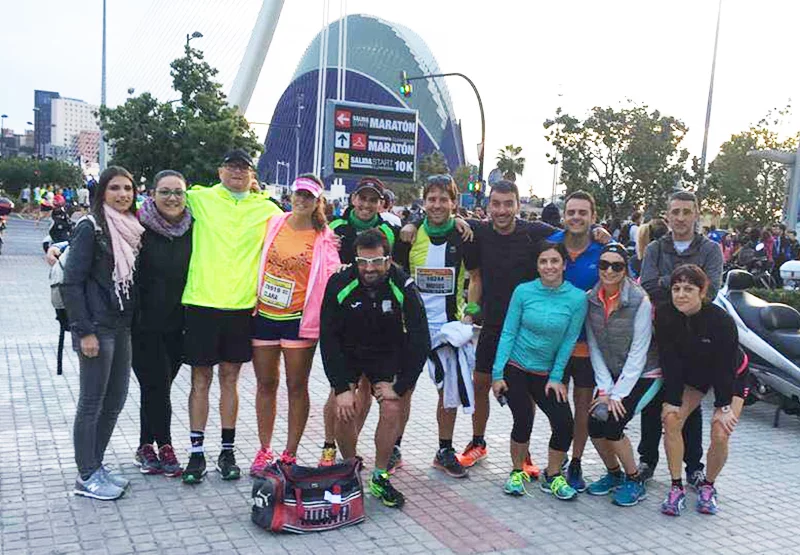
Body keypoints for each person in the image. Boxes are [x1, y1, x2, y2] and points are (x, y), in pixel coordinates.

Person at [180, 149, 283, 484]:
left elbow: (305, 228)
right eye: (231, 166)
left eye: (244, 168)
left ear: (252, 175)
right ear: (220, 170)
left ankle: (227, 450)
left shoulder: (268, 209)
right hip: (201, 303)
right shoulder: (199, 198)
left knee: (230, 380)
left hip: (241, 307)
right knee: (200, 381)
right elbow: (150, 209)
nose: (237, 172)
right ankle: (196, 453)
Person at [454, 180, 559, 477]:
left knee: (524, 392)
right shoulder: (479, 233)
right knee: (480, 384)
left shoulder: (535, 232)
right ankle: (477, 442)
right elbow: (474, 276)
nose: (502, 210)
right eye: (496, 204)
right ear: (488, 206)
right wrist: (471, 313)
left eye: (508, 204)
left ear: (517, 205)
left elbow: (573, 236)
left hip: (527, 330)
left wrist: (599, 234)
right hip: (492, 324)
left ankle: (523, 452)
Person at [320, 229, 430, 508]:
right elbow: (328, 339)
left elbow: (420, 339)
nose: (369, 269)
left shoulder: (403, 285)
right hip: (350, 352)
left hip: (387, 353)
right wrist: (342, 388)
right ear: (355, 260)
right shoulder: (339, 282)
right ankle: (349, 468)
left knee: (392, 405)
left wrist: (400, 386)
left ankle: (380, 475)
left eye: (377, 262)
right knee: (343, 408)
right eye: (363, 262)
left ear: (389, 260)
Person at [62, 166, 145, 500]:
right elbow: (72, 283)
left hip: (121, 326)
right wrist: (83, 332)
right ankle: (86, 475)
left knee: (115, 400)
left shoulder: (131, 228)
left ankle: (95, 465)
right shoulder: (91, 228)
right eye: (115, 188)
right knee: (92, 403)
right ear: (102, 193)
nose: (123, 194)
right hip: (96, 327)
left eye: (128, 188)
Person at [249, 175, 340, 474]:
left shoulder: (323, 236)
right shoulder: (274, 222)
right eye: (298, 194)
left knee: (296, 386)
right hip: (264, 315)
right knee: (265, 384)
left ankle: (290, 452)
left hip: (297, 320)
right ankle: (264, 450)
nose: (301, 200)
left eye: (308, 196)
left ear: (317, 202)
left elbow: (331, 276)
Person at [393, 174, 480, 478]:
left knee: (449, 392)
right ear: (424, 201)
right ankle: (393, 447)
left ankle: (444, 449)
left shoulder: (464, 235)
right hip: (412, 327)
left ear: (454, 203)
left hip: (448, 327)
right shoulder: (409, 235)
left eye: (444, 199)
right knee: (403, 389)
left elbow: (475, 276)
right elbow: (397, 275)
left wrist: (470, 313)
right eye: (432, 199)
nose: (438, 205)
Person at [638, 190, 723, 487]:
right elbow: (647, 285)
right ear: (668, 215)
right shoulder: (655, 249)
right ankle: (647, 460)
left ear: (696, 213)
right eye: (676, 212)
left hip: (696, 336)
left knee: (690, 404)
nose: (681, 218)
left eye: (687, 212)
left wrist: (672, 284)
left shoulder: (711, 249)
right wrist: (687, 281)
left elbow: (711, 290)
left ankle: (692, 466)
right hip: (659, 334)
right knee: (652, 400)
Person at [491, 242, 587, 499]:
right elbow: (509, 332)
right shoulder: (523, 291)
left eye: (555, 261)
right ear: (537, 265)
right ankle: (516, 471)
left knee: (564, 422)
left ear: (564, 264)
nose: (549, 267)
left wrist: (556, 377)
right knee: (523, 419)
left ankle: (554, 475)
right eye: (543, 262)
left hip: (547, 373)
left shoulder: (578, 298)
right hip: (517, 366)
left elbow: (569, 341)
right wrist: (497, 374)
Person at [319, 176, 400, 466]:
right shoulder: (337, 227)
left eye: (373, 200)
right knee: (340, 387)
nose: (366, 204)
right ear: (353, 200)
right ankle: (330, 446)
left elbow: (388, 261)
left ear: (382, 203)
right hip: (342, 314)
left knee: (366, 388)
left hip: (375, 317)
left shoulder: (388, 229)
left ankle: (350, 445)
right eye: (362, 198)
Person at [658, 265, 748, 516]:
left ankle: (708, 486)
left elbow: (725, 368)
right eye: (676, 289)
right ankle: (676, 487)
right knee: (671, 419)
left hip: (730, 374)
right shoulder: (666, 315)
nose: (681, 295)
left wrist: (724, 406)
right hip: (694, 374)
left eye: (689, 289)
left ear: (702, 291)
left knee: (720, 432)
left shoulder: (720, 320)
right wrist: (673, 400)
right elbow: (670, 361)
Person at [584, 244, 662, 506]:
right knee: (594, 422)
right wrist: (605, 391)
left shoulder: (640, 300)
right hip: (612, 375)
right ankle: (614, 474)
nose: (609, 270)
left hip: (646, 374)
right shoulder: (591, 299)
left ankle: (634, 479)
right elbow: (594, 346)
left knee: (614, 423)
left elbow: (639, 352)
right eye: (604, 264)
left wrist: (618, 395)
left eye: (617, 266)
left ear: (625, 269)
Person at [547, 190, 611, 492]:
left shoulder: (605, 252)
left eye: (582, 213)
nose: (576, 217)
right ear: (564, 215)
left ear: (592, 217)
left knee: (583, 405)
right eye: (571, 212)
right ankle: (553, 462)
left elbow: (626, 289)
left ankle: (575, 462)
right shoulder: (550, 246)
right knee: (556, 407)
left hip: (589, 345)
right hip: (551, 346)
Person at [131, 170, 193, 477]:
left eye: (178, 192)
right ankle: (165, 447)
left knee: (157, 388)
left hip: (178, 326)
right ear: (152, 194)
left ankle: (145, 445)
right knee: (156, 385)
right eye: (165, 192)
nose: (172, 198)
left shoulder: (194, 228)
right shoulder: (137, 227)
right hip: (143, 325)